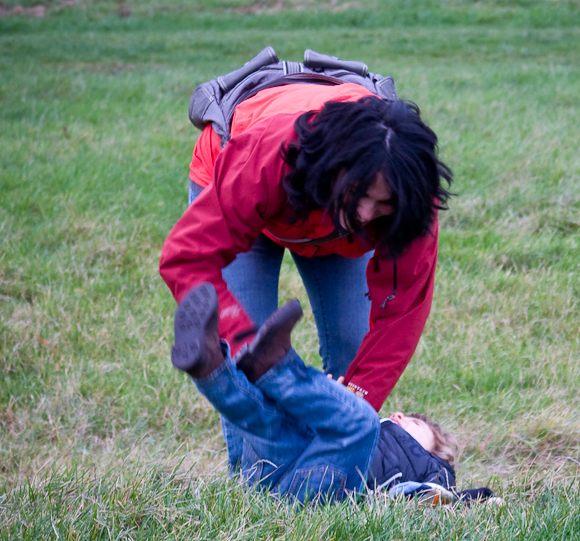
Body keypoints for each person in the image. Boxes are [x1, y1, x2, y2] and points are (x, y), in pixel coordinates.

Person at [160, 81, 453, 414]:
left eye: (382, 204)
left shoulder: (411, 193)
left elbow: (402, 312)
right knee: (250, 367)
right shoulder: (270, 153)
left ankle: (333, 465)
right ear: (336, 169)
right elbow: (186, 257)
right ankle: (259, 467)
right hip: (246, 181)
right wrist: (250, 349)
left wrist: (355, 409)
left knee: (353, 351)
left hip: (324, 213)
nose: (365, 214)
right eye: (360, 194)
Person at [170, 282, 461, 503]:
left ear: (436, 455)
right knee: (264, 419)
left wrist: (469, 499)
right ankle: (211, 368)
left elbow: (426, 496)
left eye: (415, 423)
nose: (398, 415)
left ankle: (277, 370)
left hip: (314, 495)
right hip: (282, 474)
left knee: (363, 423)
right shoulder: (385, 437)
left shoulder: (433, 471)